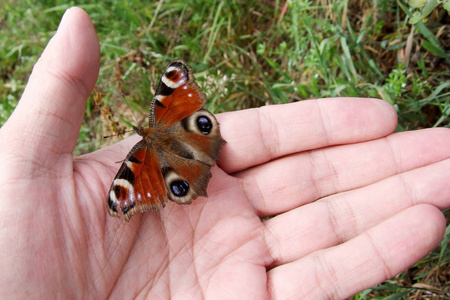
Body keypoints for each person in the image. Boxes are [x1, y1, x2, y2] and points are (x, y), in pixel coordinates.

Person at [0, 7, 448, 299]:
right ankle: (194, 161)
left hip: (178, 158)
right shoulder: (149, 138)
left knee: (179, 158)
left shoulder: (137, 160)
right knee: (187, 140)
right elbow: (172, 88)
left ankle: (190, 168)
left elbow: (177, 81)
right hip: (187, 139)